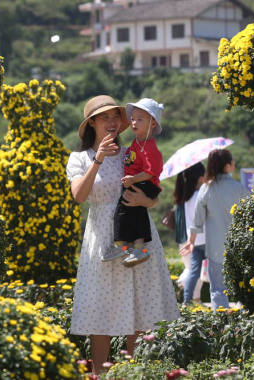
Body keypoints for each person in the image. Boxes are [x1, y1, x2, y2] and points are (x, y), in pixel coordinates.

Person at [66, 95, 180, 375]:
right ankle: (101, 374)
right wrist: (98, 160)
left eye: (116, 117)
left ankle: (133, 373)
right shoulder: (80, 158)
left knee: (139, 308)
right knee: (99, 312)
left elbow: (152, 192)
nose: (113, 122)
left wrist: (147, 201)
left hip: (137, 234)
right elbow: (79, 195)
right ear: (91, 123)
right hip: (102, 239)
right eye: (105, 117)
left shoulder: (132, 151)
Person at [180, 149, 249, 310]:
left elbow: (197, 221)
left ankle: (222, 325)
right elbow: (250, 214)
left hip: (215, 249)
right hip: (237, 247)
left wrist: (191, 242)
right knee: (242, 288)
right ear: (227, 166)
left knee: (218, 289)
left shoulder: (206, 189)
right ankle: (245, 322)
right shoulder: (239, 188)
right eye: (232, 162)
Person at [102, 98, 164, 267]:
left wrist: (132, 179)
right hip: (138, 183)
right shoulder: (137, 143)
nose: (134, 122)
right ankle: (137, 249)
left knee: (124, 212)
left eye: (140, 119)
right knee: (135, 215)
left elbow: (152, 172)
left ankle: (124, 246)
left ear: (152, 124)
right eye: (133, 119)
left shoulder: (149, 147)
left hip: (144, 184)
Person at [174, 162, 206, 305]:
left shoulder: (186, 197)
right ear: (200, 178)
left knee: (194, 271)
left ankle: (187, 300)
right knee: (213, 271)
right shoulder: (200, 195)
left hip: (192, 240)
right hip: (205, 237)